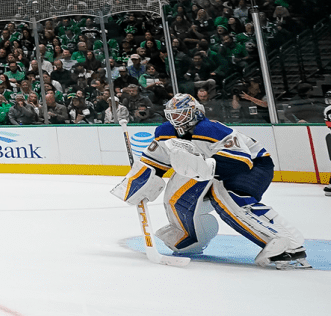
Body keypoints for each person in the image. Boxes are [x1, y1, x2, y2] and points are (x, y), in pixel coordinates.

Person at [113, 93, 308, 267]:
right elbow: (152, 163)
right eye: (172, 115)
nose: (176, 120)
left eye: (181, 114)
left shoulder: (211, 129)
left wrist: (206, 167)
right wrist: (138, 183)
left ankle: (287, 243)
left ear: (195, 112)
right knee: (176, 197)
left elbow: (241, 161)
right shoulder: (165, 132)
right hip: (210, 169)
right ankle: (192, 237)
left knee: (228, 197)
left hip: (254, 165)